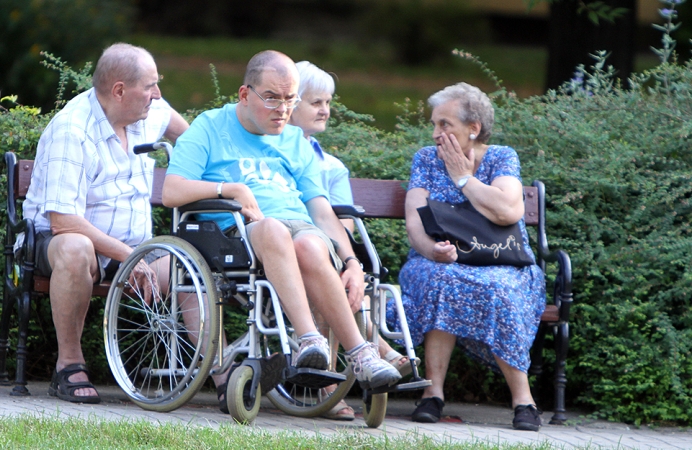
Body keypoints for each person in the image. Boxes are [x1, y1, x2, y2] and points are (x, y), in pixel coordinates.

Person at [162, 50, 402, 408]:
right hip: (236, 234)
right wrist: (230, 189)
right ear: (245, 94)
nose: (282, 110)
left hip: (299, 230)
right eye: (271, 98)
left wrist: (352, 261)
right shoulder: (211, 127)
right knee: (273, 228)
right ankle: (309, 338)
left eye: (290, 99)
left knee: (309, 244)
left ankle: (362, 355)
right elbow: (172, 191)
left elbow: (321, 211)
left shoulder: (294, 141)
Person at [22, 43, 190, 404]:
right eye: (150, 86)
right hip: (59, 245)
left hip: (132, 252)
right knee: (75, 247)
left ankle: (221, 372)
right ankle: (68, 365)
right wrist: (131, 257)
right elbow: (64, 221)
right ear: (119, 91)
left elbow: (187, 137)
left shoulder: (147, 113)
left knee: (192, 261)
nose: (157, 95)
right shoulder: (72, 130)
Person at [391, 82, 547, 431]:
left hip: (501, 261)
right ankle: (432, 394)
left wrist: (463, 178)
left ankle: (524, 400)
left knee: (498, 289)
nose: (435, 133)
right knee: (440, 279)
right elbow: (415, 221)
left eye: (444, 124)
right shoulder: (426, 159)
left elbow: (508, 211)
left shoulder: (501, 157)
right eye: (433, 124)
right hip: (439, 259)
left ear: (473, 128)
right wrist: (432, 250)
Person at [288, 60, 417, 421]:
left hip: (329, 247)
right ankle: (374, 350)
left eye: (328, 102)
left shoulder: (332, 166)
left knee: (333, 264)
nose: (325, 110)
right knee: (317, 260)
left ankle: (339, 377)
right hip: (289, 245)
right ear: (290, 103)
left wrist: (349, 261)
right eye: (315, 102)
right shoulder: (270, 154)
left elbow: (343, 223)